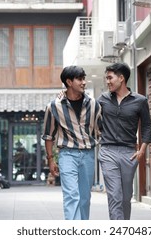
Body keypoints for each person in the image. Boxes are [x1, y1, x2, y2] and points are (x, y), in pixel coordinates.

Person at [42, 65, 102, 220]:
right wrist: (50, 160)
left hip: (88, 154)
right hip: (67, 154)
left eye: (84, 78)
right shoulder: (54, 106)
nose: (84, 82)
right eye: (80, 79)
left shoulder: (94, 104)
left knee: (84, 198)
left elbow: (100, 131)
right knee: (71, 195)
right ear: (69, 82)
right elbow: (49, 135)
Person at [97, 62, 151, 220]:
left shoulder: (140, 101)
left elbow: (147, 126)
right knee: (115, 195)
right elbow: (86, 110)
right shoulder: (102, 99)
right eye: (106, 78)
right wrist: (64, 96)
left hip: (129, 153)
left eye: (110, 78)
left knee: (125, 197)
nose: (107, 82)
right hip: (108, 151)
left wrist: (142, 150)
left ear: (121, 78)